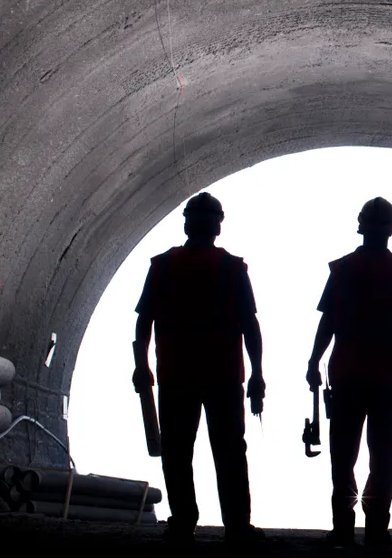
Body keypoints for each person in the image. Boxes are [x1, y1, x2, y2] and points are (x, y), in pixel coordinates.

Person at [131, 192, 265, 546]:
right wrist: (256, 373)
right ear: (217, 225)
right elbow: (249, 325)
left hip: (178, 376)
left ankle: (183, 523)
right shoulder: (232, 269)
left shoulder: (163, 266)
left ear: (187, 223)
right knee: (230, 453)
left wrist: (141, 365)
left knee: (177, 452)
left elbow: (145, 320)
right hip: (221, 377)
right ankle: (236, 526)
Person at [306, 197, 392, 552]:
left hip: (348, 376)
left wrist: (314, 361)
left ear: (361, 225)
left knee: (343, 457)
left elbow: (327, 321)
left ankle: (343, 529)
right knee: (384, 457)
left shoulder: (343, 270)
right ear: (391, 228)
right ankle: (376, 529)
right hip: (387, 379)